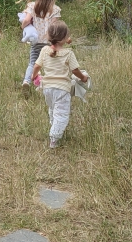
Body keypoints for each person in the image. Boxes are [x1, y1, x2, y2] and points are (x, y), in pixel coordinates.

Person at [32, 20, 89, 149]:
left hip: (47, 88)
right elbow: (75, 70)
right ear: (64, 38)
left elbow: (36, 66)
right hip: (62, 89)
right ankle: (54, 137)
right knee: (62, 113)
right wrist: (83, 78)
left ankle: (54, 126)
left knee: (52, 109)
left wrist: (33, 76)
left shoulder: (45, 50)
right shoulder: (68, 53)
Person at [17, 0, 61, 97]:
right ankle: (45, 86)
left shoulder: (32, 6)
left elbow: (26, 20)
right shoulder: (55, 9)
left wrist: (23, 26)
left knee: (33, 63)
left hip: (36, 42)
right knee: (48, 64)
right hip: (49, 43)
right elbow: (54, 27)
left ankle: (26, 81)